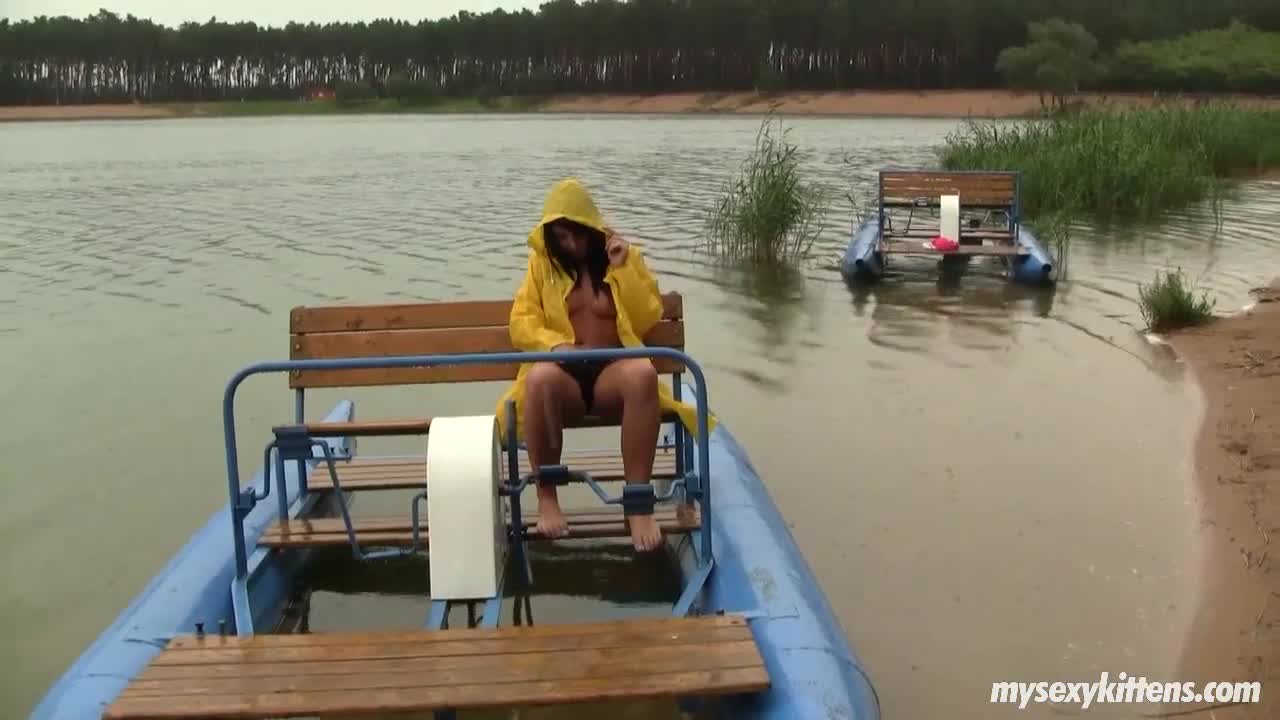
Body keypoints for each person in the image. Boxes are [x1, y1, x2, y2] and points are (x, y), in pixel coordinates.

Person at [495, 177, 712, 552]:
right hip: (564, 374)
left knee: (642, 373)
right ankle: (547, 499)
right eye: (560, 237)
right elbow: (521, 321)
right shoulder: (541, 265)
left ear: (590, 227)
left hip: (612, 371)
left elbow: (647, 316)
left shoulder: (625, 256)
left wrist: (622, 268)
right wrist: (555, 345)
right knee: (540, 379)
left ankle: (638, 505)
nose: (569, 244)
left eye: (575, 234)